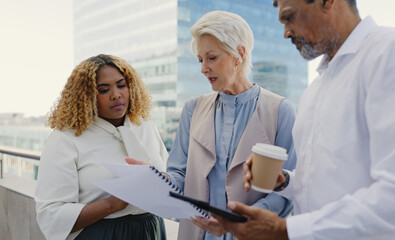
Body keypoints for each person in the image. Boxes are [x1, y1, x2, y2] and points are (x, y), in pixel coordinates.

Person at [212, 0, 395, 239]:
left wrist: (285, 230)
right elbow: (332, 184)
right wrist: (285, 181)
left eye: (289, 17)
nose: (285, 33)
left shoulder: (394, 53)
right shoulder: (315, 90)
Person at [128, 10, 297, 240]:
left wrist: (240, 222)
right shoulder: (192, 109)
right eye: (200, 60)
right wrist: (159, 180)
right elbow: (179, 174)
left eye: (211, 57)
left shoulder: (281, 111)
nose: (203, 68)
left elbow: (288, 190)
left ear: (239, 54)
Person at [34, 54, 168, 240]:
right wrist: (112, 203)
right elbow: (51, 214)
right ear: (86, 97)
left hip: (150, 230)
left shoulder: (146, 126)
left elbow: (170, 179)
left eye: (121, 85)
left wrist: (162, 179)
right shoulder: (65, 139)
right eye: (104, 90)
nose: (116, 95)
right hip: (99, 233)